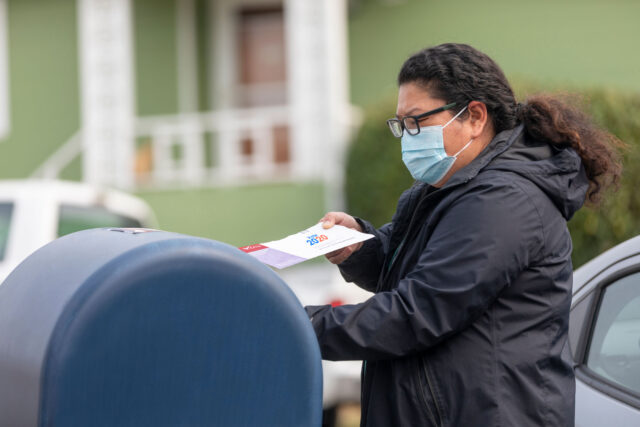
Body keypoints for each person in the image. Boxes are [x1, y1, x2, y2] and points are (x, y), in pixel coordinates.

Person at [305, 43, 623, 427]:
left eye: (417, 121)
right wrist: (358, 247)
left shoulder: (504, 200)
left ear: (474, 116)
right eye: (401, 125)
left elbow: (418, 311)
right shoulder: (448, 190)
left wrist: (293, 323)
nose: (408, 137)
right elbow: (414, 265)